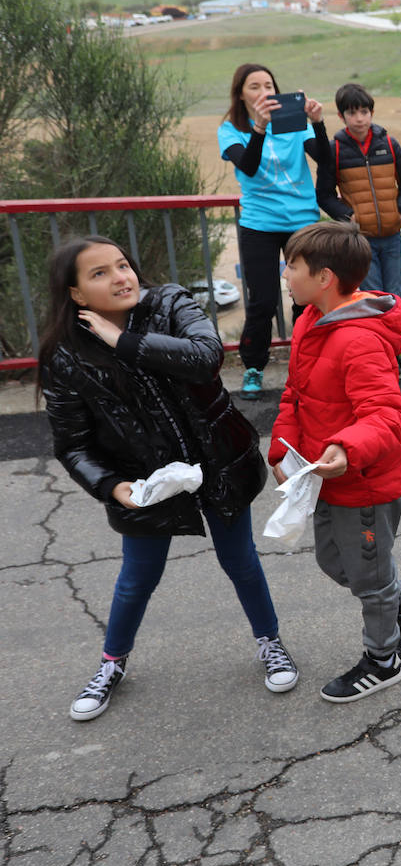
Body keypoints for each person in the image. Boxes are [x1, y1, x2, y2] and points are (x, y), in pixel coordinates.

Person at [40, 236, 297, 722]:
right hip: (142, 480)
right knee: (138, 578)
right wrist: (113, 487)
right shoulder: (65, 356)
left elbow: (206, 357)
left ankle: (270, 642)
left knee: (239, 559)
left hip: (218, 460)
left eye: (122, 265)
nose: (120, 277)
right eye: (100, 273)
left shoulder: (170, 302)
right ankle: (111, 664)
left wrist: (123, 341)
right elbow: (73, 444)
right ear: (75, 294)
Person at [268, 221, 401, 702]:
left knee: (368, 578)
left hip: (363, 482)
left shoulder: (358, 339)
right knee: (334, 562)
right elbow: (296, 396)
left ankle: (382, 660)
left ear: (324, 277)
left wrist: (346, 448)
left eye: (293, 266)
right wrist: (282, 448)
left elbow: (386, 415)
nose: (285, 273)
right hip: (325, 480)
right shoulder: (310, 321)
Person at [217, 63, 328, 400]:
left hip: (302, 220)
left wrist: (318, 123)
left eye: (268, 85)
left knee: (306, 298)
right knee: (263, 300)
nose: (264, 91)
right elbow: (248, 165)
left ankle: (306, 363)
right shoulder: (231, 130)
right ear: (241, 94)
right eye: (255, 86)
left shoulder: (293, 124)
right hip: (260, 224)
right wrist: (260, 129)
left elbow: (324, 157)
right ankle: (253, 366)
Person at [316, 82, 401, 374]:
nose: (359, 118)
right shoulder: (334, 150)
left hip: (391, 234)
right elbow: (323, 193)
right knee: (372, 296)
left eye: (364, 111)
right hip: (360, 240)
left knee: (394, 295)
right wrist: (346, 215)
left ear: (371, 112)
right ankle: (382, 354)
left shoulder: (388, 143)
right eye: (352, 112)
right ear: (342, 116)